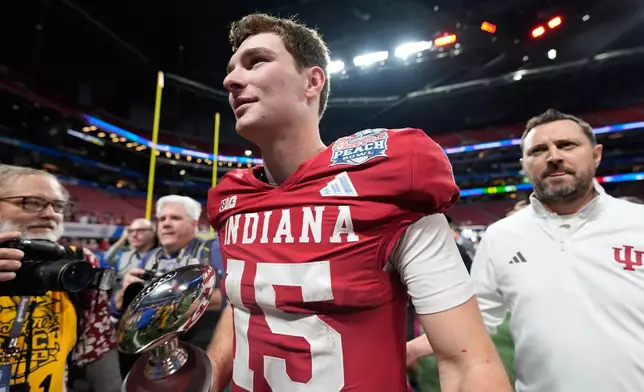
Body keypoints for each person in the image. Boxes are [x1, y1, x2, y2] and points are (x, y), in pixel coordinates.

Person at [205, 13, 511, 392]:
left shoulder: (389, 180)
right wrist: (210, 377)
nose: (231, 80)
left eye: (257, 62)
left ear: (312, 81)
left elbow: (467, 364)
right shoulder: (230, 198)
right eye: (231, 69)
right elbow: (244, 303)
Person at [405, 109, 644, 392]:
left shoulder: (637, 222)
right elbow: (474, 319)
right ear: (524, 164)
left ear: (596, 154)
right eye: (538, 150)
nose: (553, 156)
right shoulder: (501, 236)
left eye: (567, 145)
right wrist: (410, 349)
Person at [0, 164, 121, 392]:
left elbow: (97, 347)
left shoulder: (79, 262)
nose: (50, 214)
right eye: (32, 202)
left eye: (58, 206)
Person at [111, 195, 223, 351]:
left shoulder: (212, 249)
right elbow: (116, 307)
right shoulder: (150, 257)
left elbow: (229, 298)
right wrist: (125, 294)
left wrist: (163, 303)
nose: (166, 224)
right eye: (162, 219)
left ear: (194, 224)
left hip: (202, 347)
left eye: (175, 218)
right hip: (155, 349)